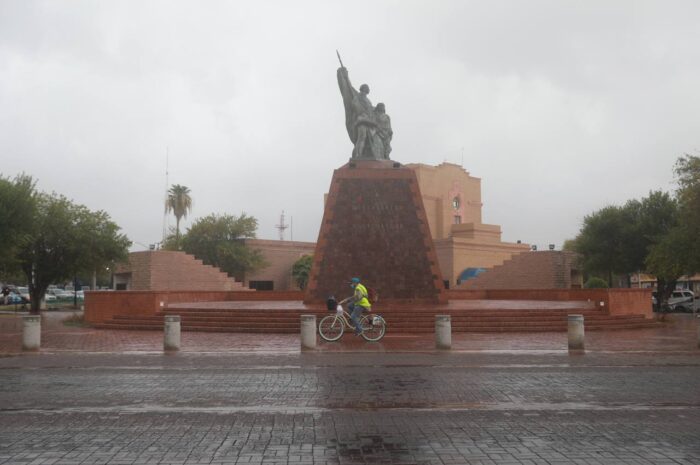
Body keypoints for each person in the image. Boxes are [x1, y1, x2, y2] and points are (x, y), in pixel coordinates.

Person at [337, 67, 385, 159]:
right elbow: (350, 89)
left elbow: (371, 109)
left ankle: (368, 154)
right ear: (363, 89)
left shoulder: (368, 100)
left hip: (369, 122)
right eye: (367, 88)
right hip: (362, 120)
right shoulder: (358, 96)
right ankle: (358, 155)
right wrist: (346, 77)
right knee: (362, 138)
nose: (368, 89)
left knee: (369, 139)